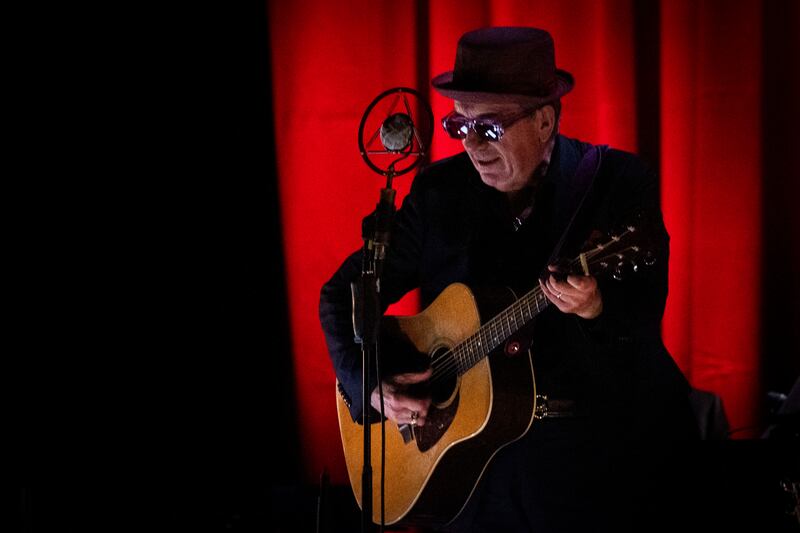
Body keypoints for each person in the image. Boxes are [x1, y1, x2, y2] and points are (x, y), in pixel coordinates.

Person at [320, 26, 699, 532]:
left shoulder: (616, 184)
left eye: (491, 128)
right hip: (469, 482)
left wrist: (595, 310)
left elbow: (643, 329)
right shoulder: (439, 192)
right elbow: (343, 294)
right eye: (460, 127)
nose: (473, 145)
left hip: (587, 472)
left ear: (545, 121)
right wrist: (369, 388)